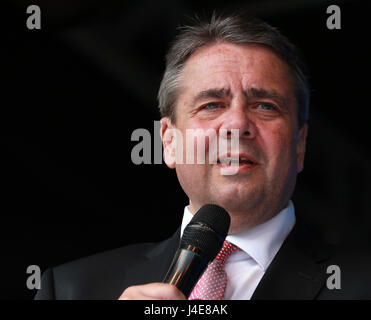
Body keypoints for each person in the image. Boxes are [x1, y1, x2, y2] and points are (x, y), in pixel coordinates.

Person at [35, 13, 371, 300]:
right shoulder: (70, 289)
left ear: (300, 146)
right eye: (211, 105)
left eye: (265, 106)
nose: (238, 123)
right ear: (169, 142)